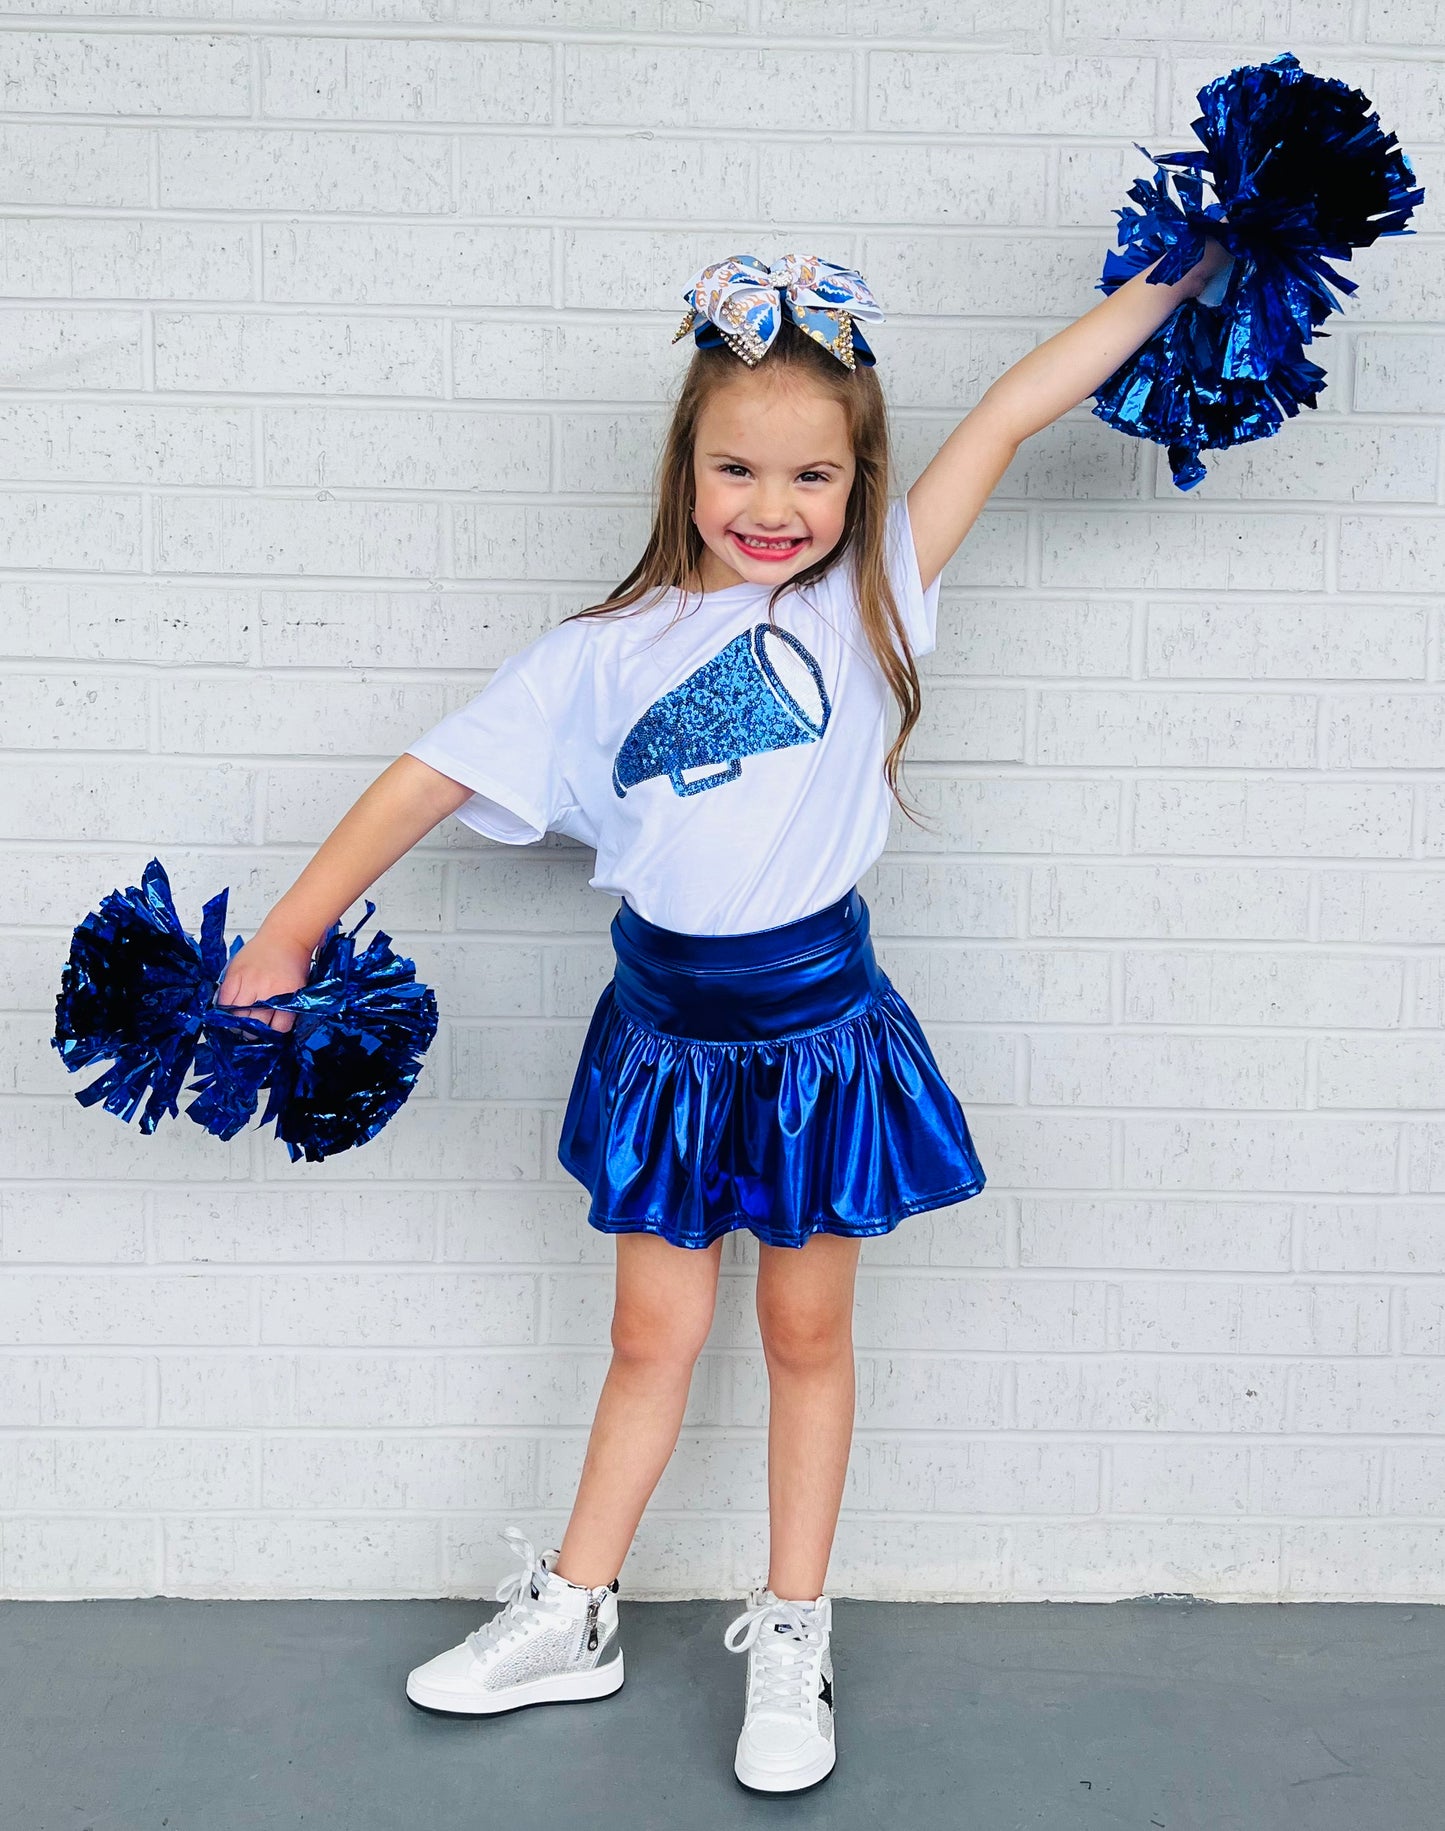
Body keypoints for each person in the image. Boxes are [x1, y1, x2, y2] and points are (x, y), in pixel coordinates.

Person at [217, 244, 1231, 1794]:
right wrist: (289, 928)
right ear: (684, 468)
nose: (775, 503)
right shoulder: (599, 653)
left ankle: (795, 1633)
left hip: (817, 1042)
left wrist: (1189, 270)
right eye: (738, 466)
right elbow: (427, 772)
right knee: (649, 1335)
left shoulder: (871, 596)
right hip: (663, 1047)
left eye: (815, 474)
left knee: (804, 1333)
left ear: (859, 479)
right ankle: (574, 1612)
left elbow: (1019, 408)